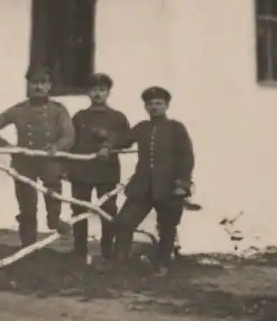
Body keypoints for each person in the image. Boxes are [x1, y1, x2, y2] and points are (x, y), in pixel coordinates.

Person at [102, 86, 195, 277]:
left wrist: (182, 185)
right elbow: (123, 140)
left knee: (167, 228)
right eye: (150, 104)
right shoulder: (142, 127)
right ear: (145, 106)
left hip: (169, 188)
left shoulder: (176, 128)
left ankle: (162, 265)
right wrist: (107, 144)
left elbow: (186, 157)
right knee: (124, 222)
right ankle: (120, 263)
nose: (154, 107)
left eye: (159, 104)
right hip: (142, 187)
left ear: (167, 105)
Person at [0, 66, 76, 246]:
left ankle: (54, 221)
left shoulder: (58, 110)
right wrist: (8, 148)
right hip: (24, 163)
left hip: (50, 162)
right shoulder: (18, 110)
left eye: (43, 83)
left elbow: (69, 135)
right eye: (34, 83)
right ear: (28, 85)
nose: (38, 87)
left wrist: (57, 147)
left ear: (50, 86)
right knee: (27, 206)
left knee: (54, 196)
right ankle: (28, 247)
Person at [68, 73, 131, 264]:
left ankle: (107, 249)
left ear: (108, 92)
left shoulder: (117, 117)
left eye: (102, 90)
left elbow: (127, 140)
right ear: (88, 92)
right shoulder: (79, 117)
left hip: (107, 171)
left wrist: (109, 140)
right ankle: (79, 250)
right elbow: (70, 141)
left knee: (109, 209)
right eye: (94, 90)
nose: (97, 94)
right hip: (81, 170)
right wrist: (65, 167)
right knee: (79, 209)